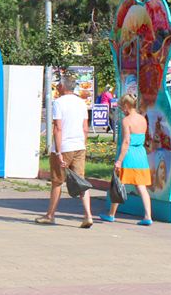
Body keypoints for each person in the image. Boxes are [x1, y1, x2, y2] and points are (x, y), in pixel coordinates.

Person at [37, 75, 92, 228]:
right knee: (81, 181)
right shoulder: (81, 103)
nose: (57, 87)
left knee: (57, 182)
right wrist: (83, 145)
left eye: (58, 85)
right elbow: (85, 128)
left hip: (64, 147)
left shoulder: (59, 103)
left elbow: (58, 128)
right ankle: (88, 215)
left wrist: (59, 152)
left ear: (62, 86)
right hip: (79, 146)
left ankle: (50, 215)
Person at [102, 94, 153, 226]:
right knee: (141, 187)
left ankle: (111, 214)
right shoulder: (142, 119)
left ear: (126, 106)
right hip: (141, 154)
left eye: (121, 107)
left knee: (119, 184)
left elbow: (126, 142)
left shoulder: (126, 120)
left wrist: (119, 160)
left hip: (129, 155)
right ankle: (148, 216)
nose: (121, 109)